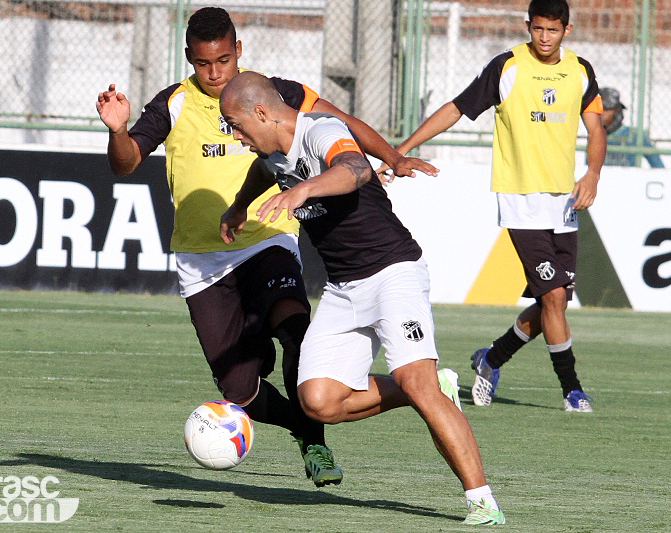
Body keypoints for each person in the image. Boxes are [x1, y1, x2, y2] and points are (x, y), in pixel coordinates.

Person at [95, 7, 435, 487]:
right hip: (201, 263)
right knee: (240, 392)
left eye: (223, 61)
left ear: (238, 51)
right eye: (202, 64)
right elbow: (125, 164)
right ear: (189, 59)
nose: (214, 74)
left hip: (267, 241)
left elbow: (341, 122)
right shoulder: (173, 102)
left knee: (296, 329)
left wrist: (394, 157)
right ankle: (301, 427)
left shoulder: (275, 94)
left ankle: (316, 442)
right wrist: (116, 130)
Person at [219, 71, 505, 525]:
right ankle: (427, 390)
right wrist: (238, 205)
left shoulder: (321, 129)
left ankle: (481, 501)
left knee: (416, 380)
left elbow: (353, 169)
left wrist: (305, 189)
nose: (236, 137)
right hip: (344, 289)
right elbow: (262, 171)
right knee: (317, 402)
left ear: (260, 112)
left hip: (394, 273)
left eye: (236, 125)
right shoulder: (271, 155)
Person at [386, 0, 607, 413]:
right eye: (537, 29)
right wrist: (401, 150)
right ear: (528, 26)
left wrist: (592, 174)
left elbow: (595, 126)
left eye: (552, 31)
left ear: (567, 31)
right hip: (521, 202)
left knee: (550, 304)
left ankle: (491, 358)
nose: (544, 38)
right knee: (555, 297)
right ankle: (572, 390)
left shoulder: (581, 71)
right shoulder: (507, 67)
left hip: (565, 204)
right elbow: (456, 108)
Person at [599, 87, 665, 168]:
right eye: (597, 108)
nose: (601, 113)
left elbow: (658, 165)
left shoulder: (633, 136)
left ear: (616, 110)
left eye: (606, 108)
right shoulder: (595, 135)